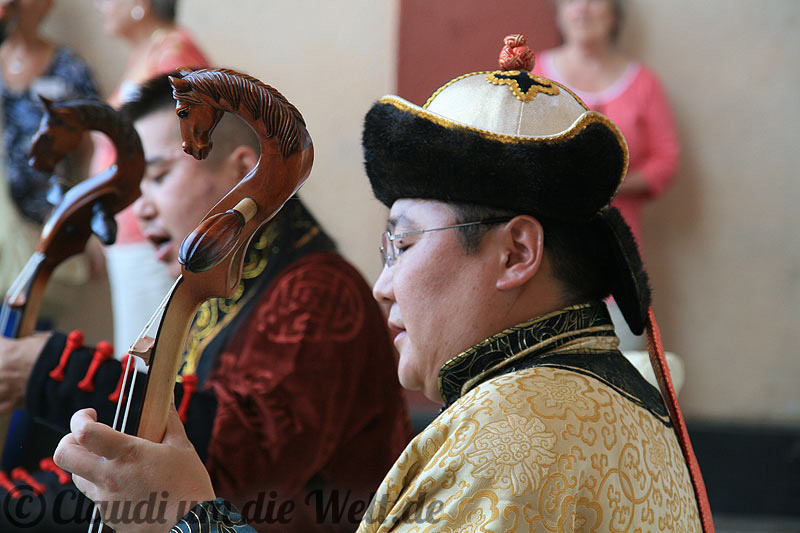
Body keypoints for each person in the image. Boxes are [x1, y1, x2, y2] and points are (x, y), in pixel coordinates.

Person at [53, 39, 712, 532]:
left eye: (400, 244)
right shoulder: (562, 394)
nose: (381, 287)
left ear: (516, 251)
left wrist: (186, 516)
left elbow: (256, 448)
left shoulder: (513, 439)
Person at [0, 74, 410, 532]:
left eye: (159, 177)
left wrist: (54, 369)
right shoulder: (220, 292)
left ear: (243, 170)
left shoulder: (321, 291)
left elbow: (237, 459)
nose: (141, 209)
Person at [532, 0, 681, 348]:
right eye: (572, 1)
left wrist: (616, 184)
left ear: (615, 15)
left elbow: (666, 158)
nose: (583, 9)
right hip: (545, 256)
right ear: (559, 12)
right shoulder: (535, 75)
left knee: (623, 369)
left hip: (617, 258)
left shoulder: (643, 83)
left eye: (595, 1)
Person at [91, 0, 210, 358]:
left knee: (148, 359)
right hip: (129, 231)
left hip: (153, 233)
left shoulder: (175, 55)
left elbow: (180, 153)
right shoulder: (148, 52)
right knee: (135, 348)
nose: (101, 7)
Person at [0, 0, 99, 294]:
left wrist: (90, 222)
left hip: (43, 229)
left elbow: (94, 152)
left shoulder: (69, 69)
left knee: (28, 326)